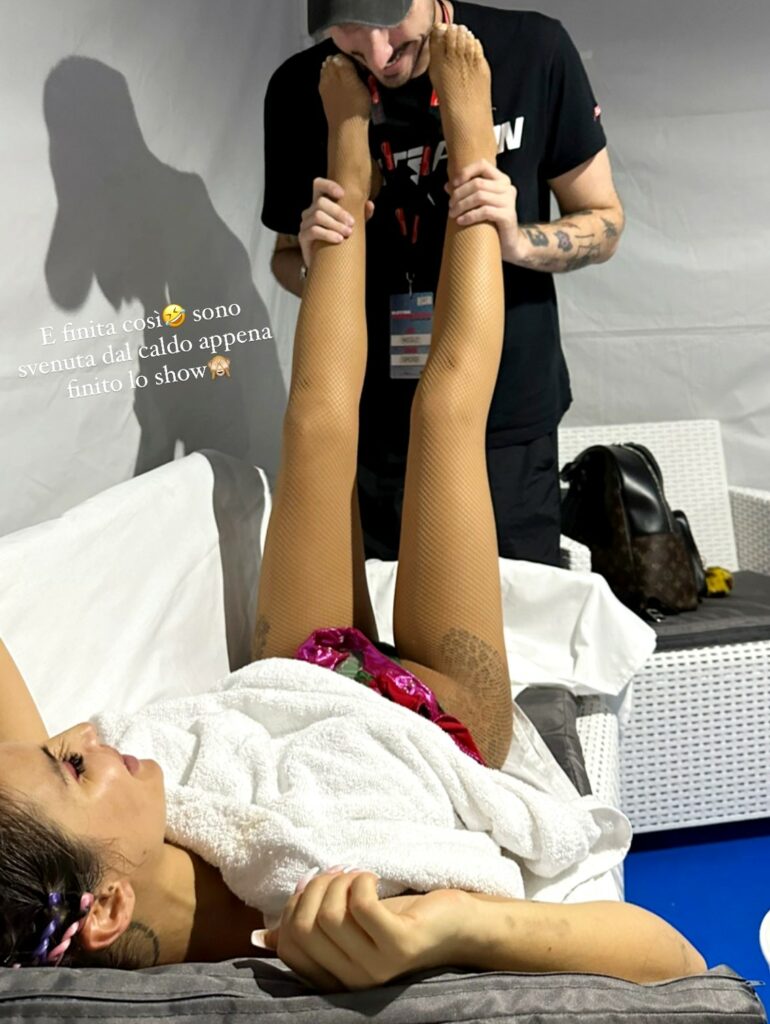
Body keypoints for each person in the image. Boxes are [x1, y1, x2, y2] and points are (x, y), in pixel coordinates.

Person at [0, 30, 702, 991]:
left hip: (298, 687)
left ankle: (346, 166)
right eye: (72, 766)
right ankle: (473, 156)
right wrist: (447, 928)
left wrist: (67, 770)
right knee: (445, 412)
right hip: (438, 725)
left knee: (315, 423)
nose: (80, 729)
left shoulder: (38, 854)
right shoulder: (334, 922)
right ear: (109, 910)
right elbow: (676, 960)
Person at [263, 0, 625, 565]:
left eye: (390, 24)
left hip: (504, 415)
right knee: (376, 609)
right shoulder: (302, 86)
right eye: (350, 35)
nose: (378, 56)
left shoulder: (532, 51)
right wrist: (321, 261)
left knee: (510, 605)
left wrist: (517, 240)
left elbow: (605, 221)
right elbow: (285, 261)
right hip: (372, 419)